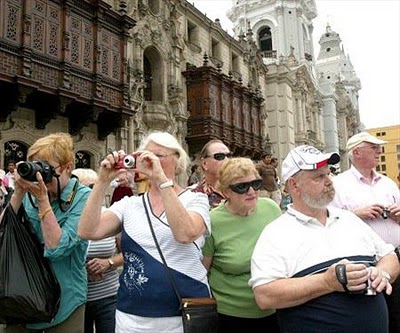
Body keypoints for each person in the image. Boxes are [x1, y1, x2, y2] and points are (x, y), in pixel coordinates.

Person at [249, 145, 400, 333]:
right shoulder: (276, 233)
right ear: (295, 185)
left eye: (328, 174)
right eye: (319, 177)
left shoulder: (349, 219)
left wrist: (383, 273)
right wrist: (327, 282)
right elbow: (265, 295)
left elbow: (389, 256)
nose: (329, 181)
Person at [78, 131, 212, 333]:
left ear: (177, 162)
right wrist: (102, 181)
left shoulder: (195, 200)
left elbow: (185, 233)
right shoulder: (129, 205)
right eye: (146, 156)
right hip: (131, 316)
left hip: (182, 313)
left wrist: (161, 180)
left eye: (159, 155)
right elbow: (87, 230)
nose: (151, 161)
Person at [3, 133, 91, 333]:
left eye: (46, 168)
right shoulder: (28, 194)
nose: (39, 175)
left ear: (68, 167)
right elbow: (3, 233)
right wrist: (18, 192)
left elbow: (57, 247)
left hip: (65, 301)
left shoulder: (84, 198)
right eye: (35, 166)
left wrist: (42, 199)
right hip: (21, 294)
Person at [331, 132, 400, 332]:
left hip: (396, 259)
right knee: (373, 317)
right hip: (364, 265)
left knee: (397, 314)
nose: (379, 151)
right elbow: (329, 222)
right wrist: (356, 214)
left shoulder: (388, 184)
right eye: (374, 147)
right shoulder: (338, 184)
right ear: (357, 152)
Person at [202, 157, 281, 333]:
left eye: (255, 183)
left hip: (274, 308)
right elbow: (202, 270)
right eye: (242, 187)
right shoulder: (213, 221)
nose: (251, 191)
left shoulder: (271, 209)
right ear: (226, 191)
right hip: (230, 315)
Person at [72, 168, 123, 333]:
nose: (90, 192)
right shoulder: (67, 217)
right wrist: (83, 267)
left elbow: (131, 254)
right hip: (75, 299)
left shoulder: (111, 215)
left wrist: (108, 262)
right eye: (84, 187)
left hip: (108, 296)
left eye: (94, 186)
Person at [193, 139, 232, 208]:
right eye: (219, 156)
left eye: (229, 156)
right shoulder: (195, 195)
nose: (227, 160)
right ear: (204, 163)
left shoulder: (242, 188)